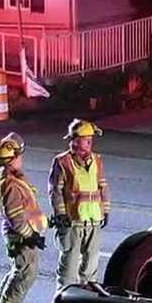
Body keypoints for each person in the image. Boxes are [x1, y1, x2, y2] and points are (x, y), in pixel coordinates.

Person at [0, 133, 47, 303]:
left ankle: (1, 299)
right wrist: (30, 236)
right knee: (26, 272)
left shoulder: (7, 177)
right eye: (19, 155)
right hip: (20, 235)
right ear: (11, 160)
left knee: (18, 267)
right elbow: (15, 216)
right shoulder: (10, 184)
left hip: (18, 232)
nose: (21, 158)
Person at [49, 119, 110, 289]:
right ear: (75, 141)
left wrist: (105, 210)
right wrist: (61, 214)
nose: (90, 141)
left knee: (90, 267)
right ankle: (62, 298)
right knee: (69, 268)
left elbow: (103, 186)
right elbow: (55, 191)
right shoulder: (62, 162)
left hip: (93, 220)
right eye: (85, 138)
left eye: (91, 138)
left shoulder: (97, 160)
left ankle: (86, 298)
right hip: (73, 222)